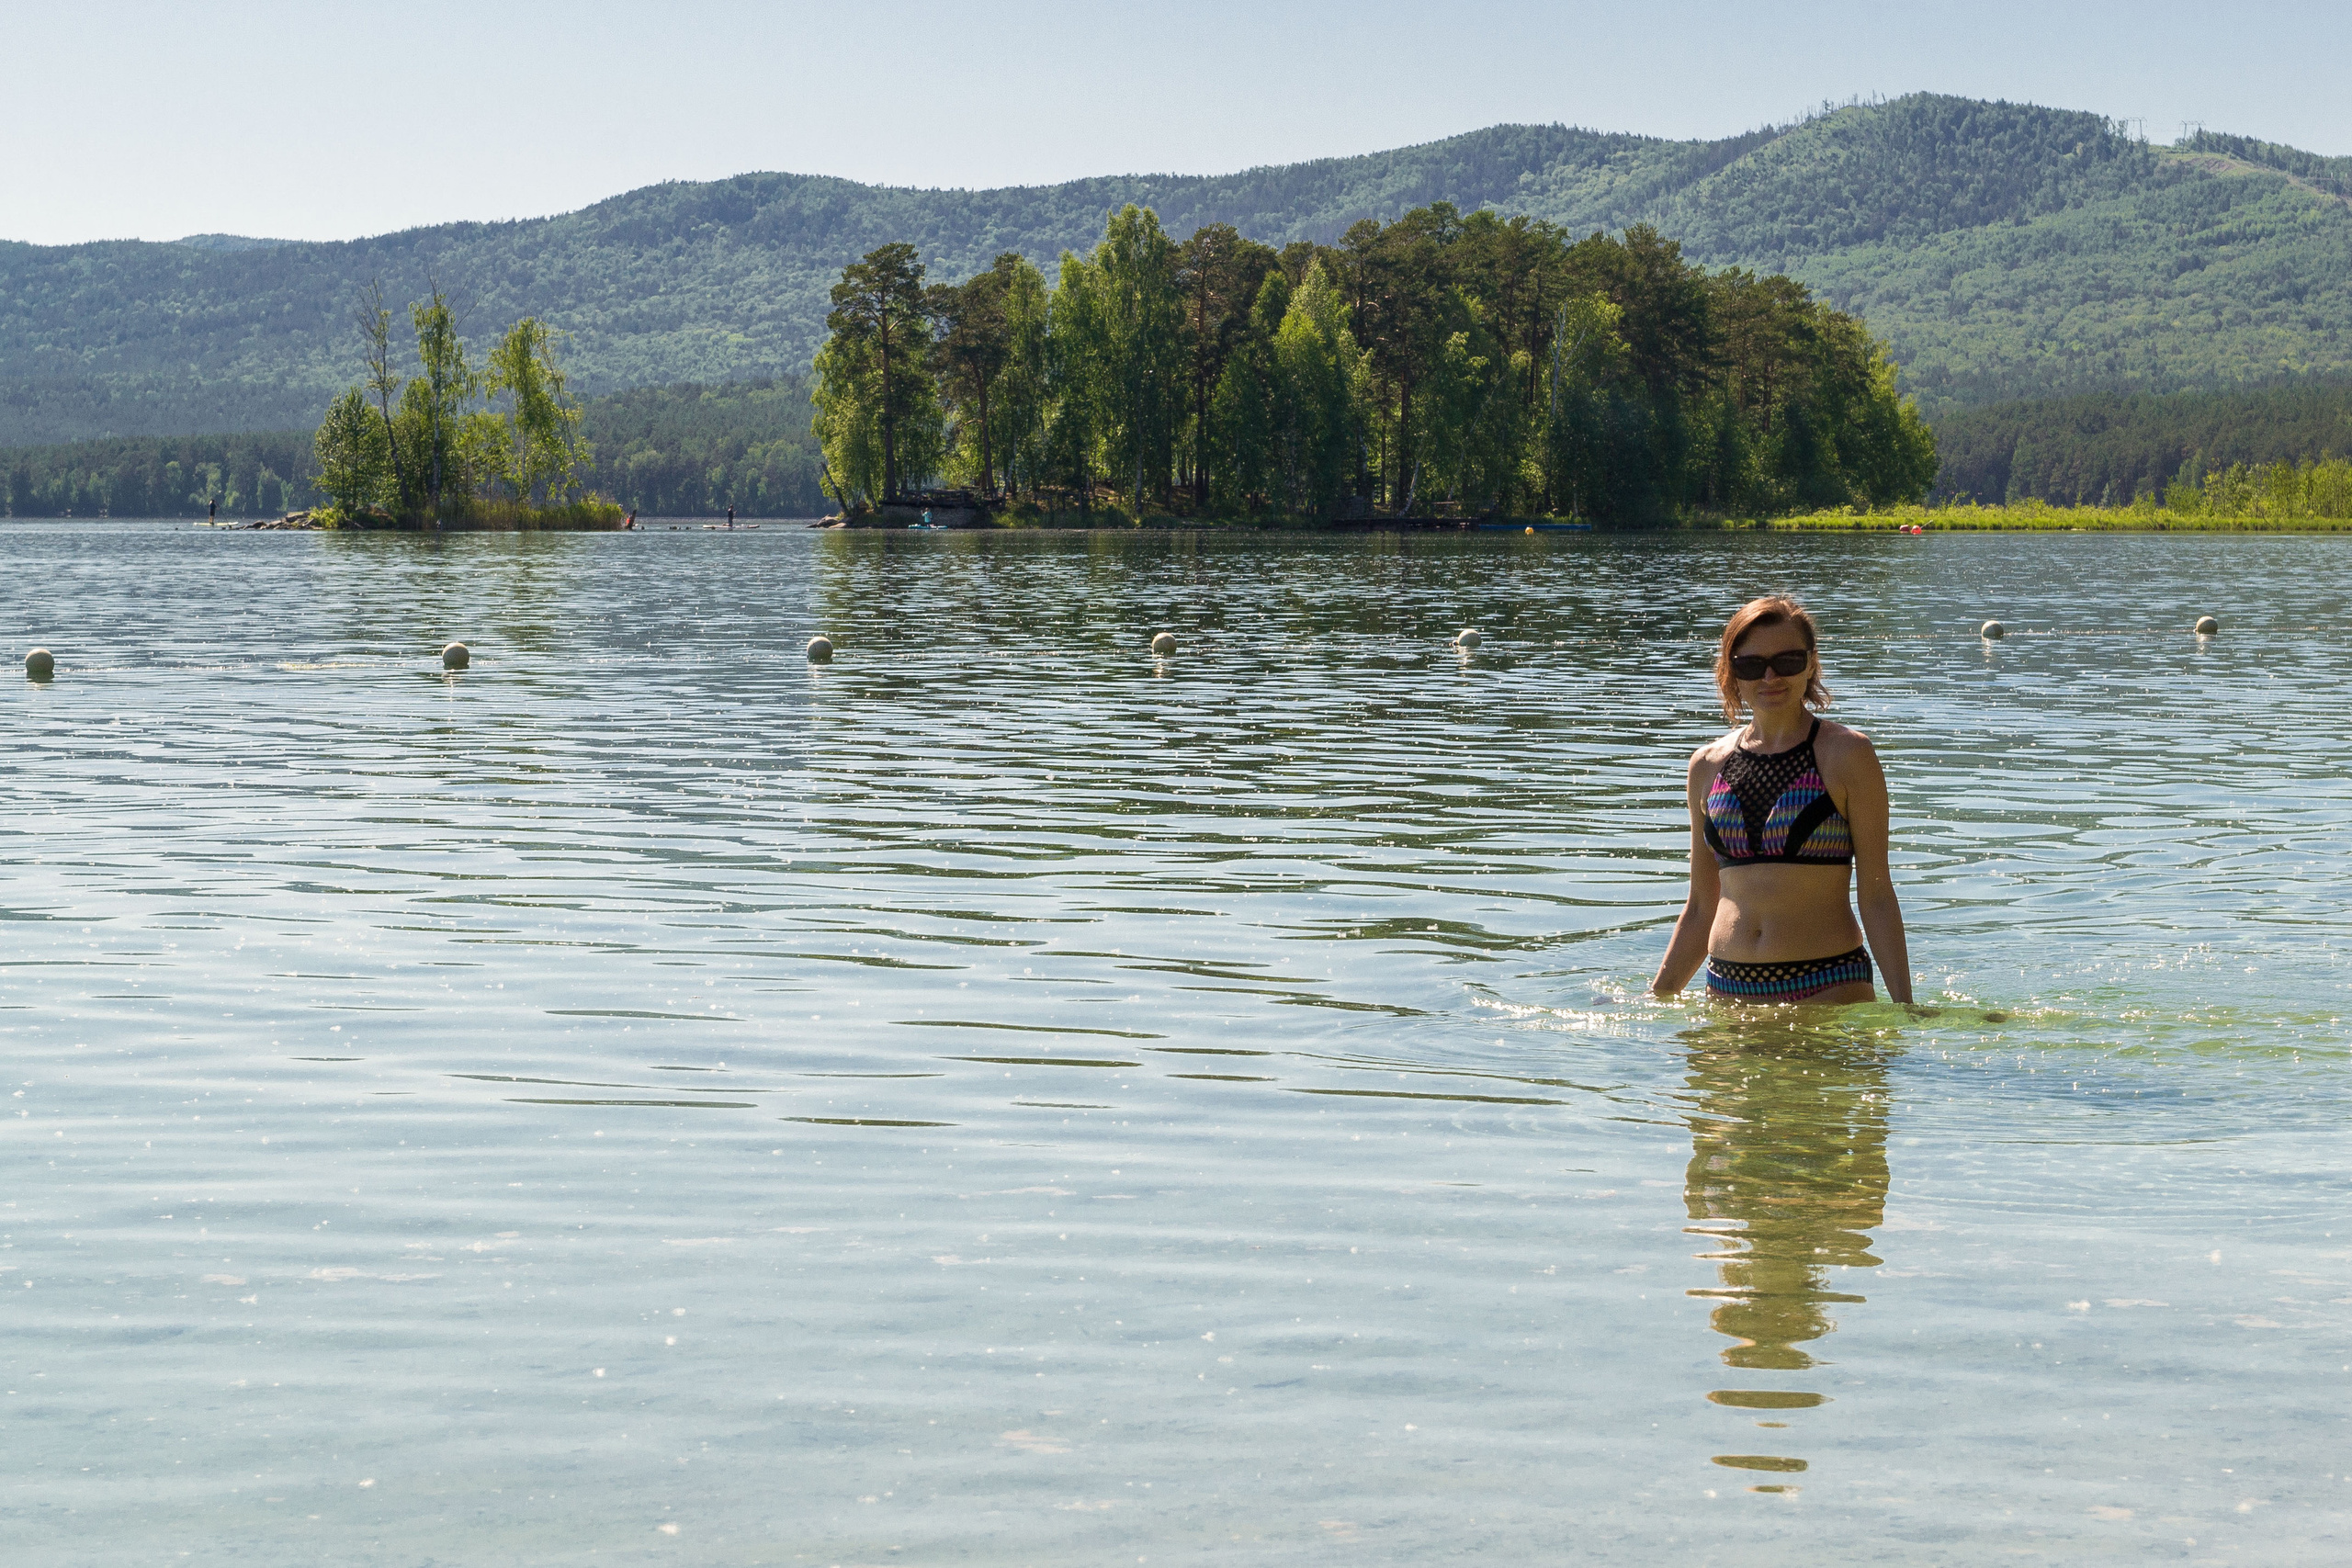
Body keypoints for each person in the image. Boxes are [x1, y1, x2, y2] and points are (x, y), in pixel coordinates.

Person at [1651, 596, 1911, 1005]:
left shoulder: (1847, 754)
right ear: (1731, 672)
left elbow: (1876, 894)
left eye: (1787, 661)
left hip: (1827, 984)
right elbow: (1701, 905)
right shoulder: (1706, 765)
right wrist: (1658, 996)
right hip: (1727, 992)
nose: (1770, 676)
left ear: (1810, 663)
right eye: (1751, 665)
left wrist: (1905, 1007)